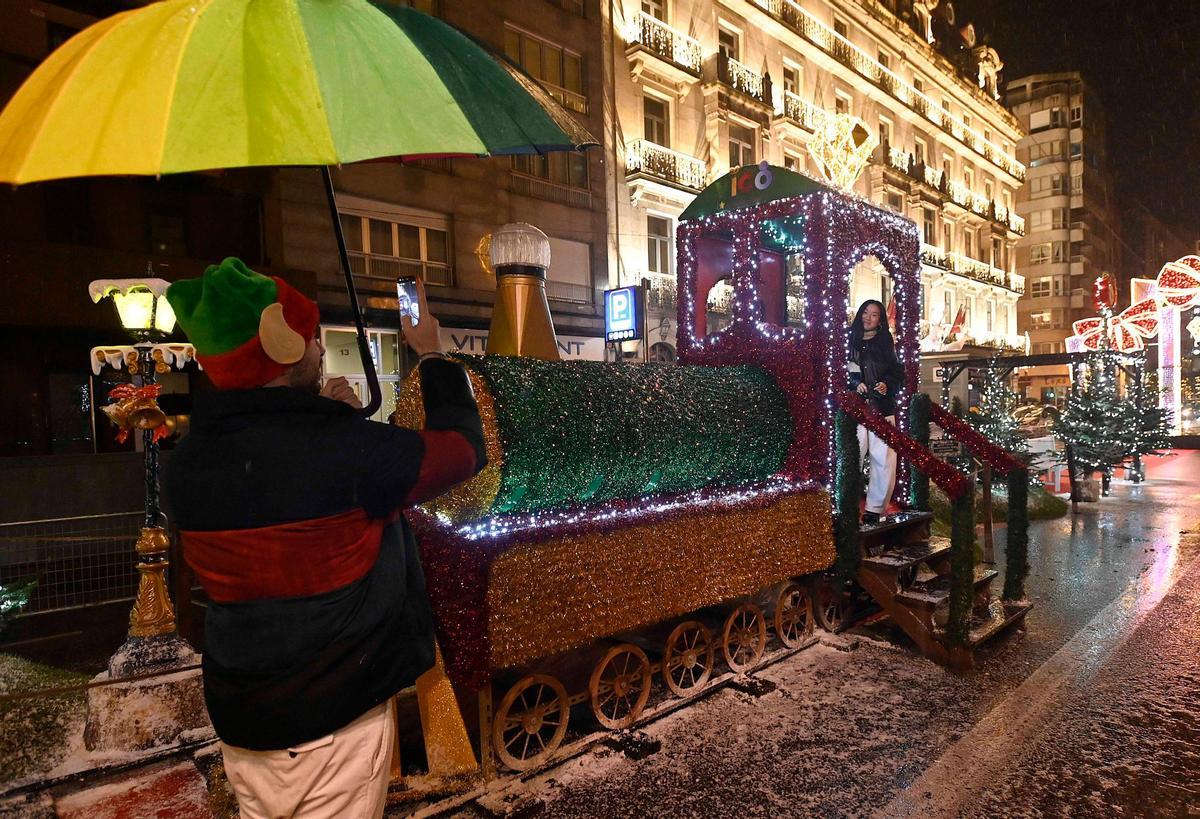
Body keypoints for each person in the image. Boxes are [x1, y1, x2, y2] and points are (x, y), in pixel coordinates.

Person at [163, 258, 485, 819]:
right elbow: (461, 449)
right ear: (282, 345)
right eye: (312, 338)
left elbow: (284, 480)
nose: (318, 349)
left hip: (242, 722)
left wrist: (329, 422)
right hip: (333, 724)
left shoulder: (188, 464)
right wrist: (432, 354)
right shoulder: (344, 452)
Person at [847, 299, 905, 525]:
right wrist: (855, 384)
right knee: (852, 456)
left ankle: (875, 508)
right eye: (865, 313)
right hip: (856, 408)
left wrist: (886, 385)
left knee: (883, 458)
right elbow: (844, 369)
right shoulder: (850, 339)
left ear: (880, 320)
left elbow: (896, 371)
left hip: (881, 407)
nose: (868, 318)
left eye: (874, 315)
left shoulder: (885, 341)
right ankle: (847, 504)